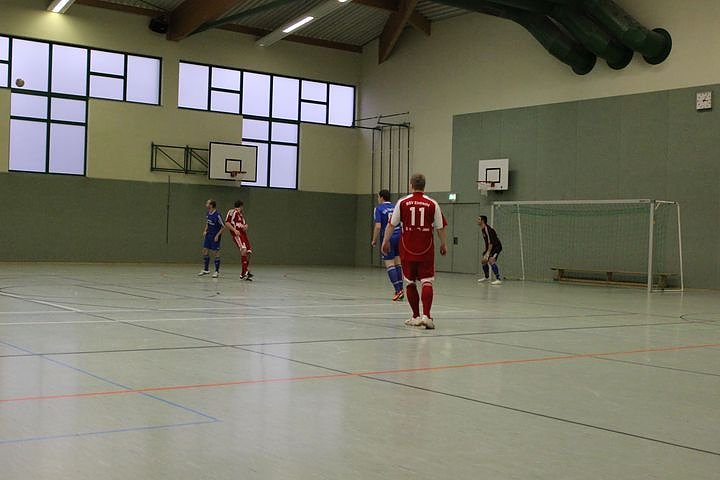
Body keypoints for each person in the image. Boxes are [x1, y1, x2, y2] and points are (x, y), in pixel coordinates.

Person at [382, 174, 448, 329]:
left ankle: (415, 316)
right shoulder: (432, 203)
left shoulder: (402, 202)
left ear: (411, 185)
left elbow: (391, 225)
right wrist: (443, 244)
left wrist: (385, 241)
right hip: (426, 248)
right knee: (427, 281)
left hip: (407, 248)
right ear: (424, 186)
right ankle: (427, 316)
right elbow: (440, 227)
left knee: (410, 282)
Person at [371, 190, 404, 301]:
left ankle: (398, 290)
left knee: (389, 264)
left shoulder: (379, 208)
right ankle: (401, 289)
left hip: (388, 238)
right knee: (398, 263)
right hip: (399, 236)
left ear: (381, 197)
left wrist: (374, 240)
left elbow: (378, 226)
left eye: (378, 197)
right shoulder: (396, 207)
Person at [225, 200, 254, 281]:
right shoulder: (232, 211)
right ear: (241, 206)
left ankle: (245, 271)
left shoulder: (241, 215)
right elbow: (227, 223)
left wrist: (245, 226)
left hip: (244, 235)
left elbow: (243, 226)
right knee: (243, 250)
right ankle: (244, 273)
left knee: (248, 252)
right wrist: (234, 230)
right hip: (238, 235)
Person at [198, 199, 224, 278]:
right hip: (208, 235)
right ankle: (206, 269)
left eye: (207, 203)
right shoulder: (208, 213)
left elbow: (223, 226)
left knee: (215, 252)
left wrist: (217, 235)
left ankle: (216, 271)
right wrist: (205, 230)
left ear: (211, 205)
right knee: (205, 250)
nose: (206, 204)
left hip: (215, 236)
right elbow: (208, 222)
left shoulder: (217, 215)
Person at [477, 215, 502, 285]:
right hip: (491, 247)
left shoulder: (487, 229)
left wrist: (487, 253)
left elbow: (491, 242)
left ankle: (498, 279)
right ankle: (486, 277)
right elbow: (487, 242)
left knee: (491, 260)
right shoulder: (482, 229)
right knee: (483, 261)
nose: (477, 221)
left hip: (496, 247)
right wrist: (486, 252)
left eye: (479, 219)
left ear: (482, 221)